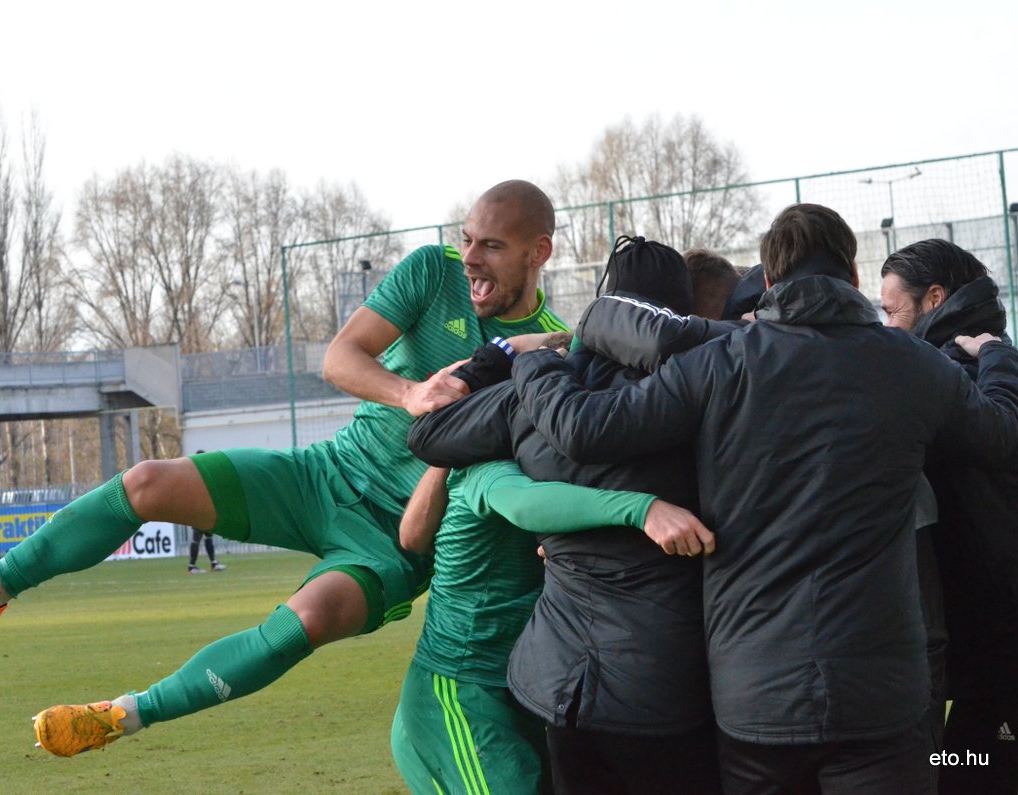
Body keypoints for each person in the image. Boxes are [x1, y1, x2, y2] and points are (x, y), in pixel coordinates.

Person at [0, 180, 570, 757]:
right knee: (149, 481)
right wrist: (411, 393)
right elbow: (340, 358)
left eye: (491, 246)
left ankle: (121, 714)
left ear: (538, 252)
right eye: (467, 239)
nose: (470, 258)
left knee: (307, 619)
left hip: (396, 541)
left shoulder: (552, 358)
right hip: (326, 471)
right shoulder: (431, 272)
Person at [508, 203, 1018, 794]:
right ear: (854, 274)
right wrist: (997, 354)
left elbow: (585, 429)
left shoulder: (719, 362)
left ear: (770, 280)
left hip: (754, 696)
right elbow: (1001, 433)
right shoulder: (913, 363)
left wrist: (537, 364)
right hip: (881, 695)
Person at [409, 237, 727, 794]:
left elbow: (428, 432)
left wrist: (504, 355)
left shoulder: (531, 392)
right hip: (662, 683)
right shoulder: (701, 391)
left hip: (559, 682)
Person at [391, 459, 704, 795]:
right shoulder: (488, 466)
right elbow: (523, 504)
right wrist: (643, 509)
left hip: (510, 691)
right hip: (460, 696)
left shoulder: (498, 459)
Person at [881, 239, 1018, 795]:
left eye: (892, 310)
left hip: (983, 618)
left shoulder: (944, 373)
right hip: (986, 618)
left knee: (971, 762)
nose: (885, 326)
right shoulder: (992, 358)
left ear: (934, 298)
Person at [186, 450, 227, 574]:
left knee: (208, 537)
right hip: (198, 511)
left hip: (206, 510)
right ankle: (191, 566)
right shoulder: (194, 474)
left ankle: (213, 563)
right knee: (197, 538)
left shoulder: (202, 473)